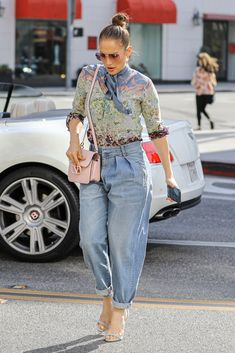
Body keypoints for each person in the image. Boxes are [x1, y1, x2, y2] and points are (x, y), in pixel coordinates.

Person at [66, 12, 179, 343]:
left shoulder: (142, 85)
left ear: (129, 52)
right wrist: (74, 139)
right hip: (95, 163)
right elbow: (75, 114)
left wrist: (170, 177)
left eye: (115, 54)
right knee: (89, 238)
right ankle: (105, 295)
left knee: (124, 245)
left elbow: (157, 130)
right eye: (102, 54)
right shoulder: (90, 75)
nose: (108, 60)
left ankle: (119, 309)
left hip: (130, 165)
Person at [191, 52, 219, 130]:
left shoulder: (199, 70)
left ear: (203, 60)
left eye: (200, 60)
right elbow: (214, 82)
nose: (199, 61)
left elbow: (194, 80)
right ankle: (209, 121)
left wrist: (198, 84)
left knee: (199, 109)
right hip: (207, 92)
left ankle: (200, 126)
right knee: (201, 109)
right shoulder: (210, 70)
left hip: (201, 92)